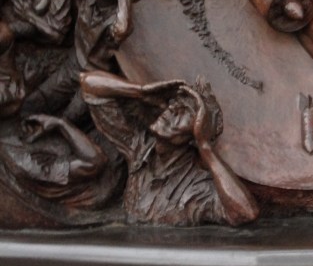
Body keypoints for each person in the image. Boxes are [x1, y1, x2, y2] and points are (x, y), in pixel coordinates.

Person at [80, 70, 259, 226]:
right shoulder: (140, 149)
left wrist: (205, 147)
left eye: (185, 111)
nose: (171, 109)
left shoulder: (197, 188)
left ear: (195, 135)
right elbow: (88, 83)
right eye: (175, 103)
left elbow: (245, 213)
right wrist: (140, 91)